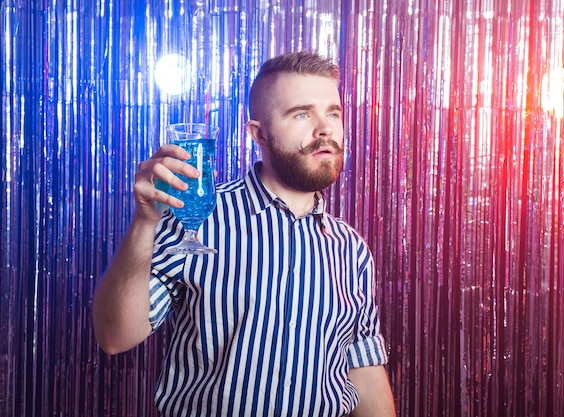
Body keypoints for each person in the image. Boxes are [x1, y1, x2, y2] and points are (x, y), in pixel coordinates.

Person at [93, 51, 396, 417]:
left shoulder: (351, 249)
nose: (326, 128)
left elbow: (364, 372)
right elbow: (114, 336)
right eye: (302, 114)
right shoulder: (197, 218)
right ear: (259, 134)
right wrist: (144, 222)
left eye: (333, 112)